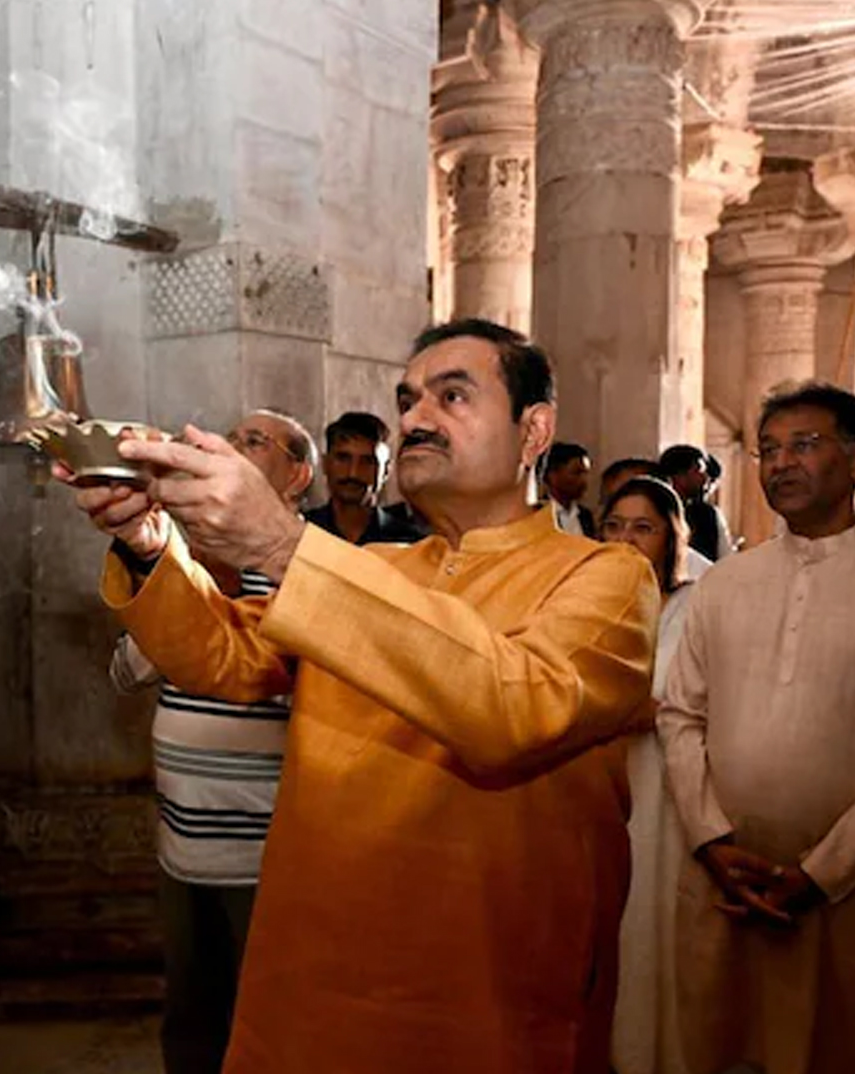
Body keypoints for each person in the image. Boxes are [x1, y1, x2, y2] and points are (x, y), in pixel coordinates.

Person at [65, 317, 658, 1073]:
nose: (414, 418)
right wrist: (151, 544)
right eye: (408, 399)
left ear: (534, 430)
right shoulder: (382, 563)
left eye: (452, 395)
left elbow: (517, 709)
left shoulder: (604, 577)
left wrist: (282, 545)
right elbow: (225, 657)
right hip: (315, 964)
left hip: (479, 988)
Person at [104, 409, 313, 1073]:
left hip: (265, 856)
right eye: (237, 435)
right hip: (183, 848)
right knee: (192, 1017)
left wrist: (225, 615)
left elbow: (298, 682)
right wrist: (182, 603)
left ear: (297, 474)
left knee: (269, 1024)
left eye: (257, 440)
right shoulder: (189, 561)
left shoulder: (312, 574)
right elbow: (123, 673)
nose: (236, 446)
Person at [657, 381, 855, 1074]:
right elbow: (680, 715)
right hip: (723, 883)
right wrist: (710, 839)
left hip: (837, 897)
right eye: (768, 450)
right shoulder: (727, 584)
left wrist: (821, 872)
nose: (780, 464)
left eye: (805, 445)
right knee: (718, 1048)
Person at [601, 477, 699, 1074]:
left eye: (643, 527)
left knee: (650, 928)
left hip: (662, 786)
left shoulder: (695, 606)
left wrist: (649, 710)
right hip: (591, 782)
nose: (626, 540)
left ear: (670, 538)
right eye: (613, 525)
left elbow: (705, 700)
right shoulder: (577, 603)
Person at [302, 412, 426, 546]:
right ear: (325, 464)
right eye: (343, 458)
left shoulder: (409, 544)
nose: (353, 473)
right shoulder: (301, 534)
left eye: (368, 462)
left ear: (385, 471)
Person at [659, 445, 733, 562]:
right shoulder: (655, 510)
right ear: (680, 475)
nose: (706, 477)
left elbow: (726, 561)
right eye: (700, 470)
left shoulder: (708, 515)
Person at [543, 441, 596, 536]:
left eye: (585, 473)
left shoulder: (585, 516)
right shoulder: (538, 515)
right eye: (576, 473)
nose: (583, 480)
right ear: (553, 475)